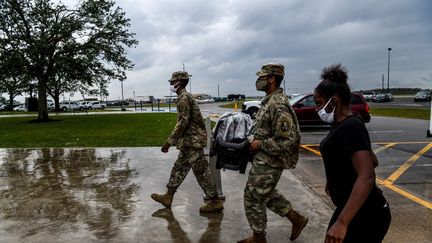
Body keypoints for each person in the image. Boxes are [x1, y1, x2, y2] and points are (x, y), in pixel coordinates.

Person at [314, 64, 391, 243]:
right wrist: (334, 179)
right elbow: (372, 160)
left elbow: (367, 176)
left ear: (334, 102)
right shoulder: (345, 124)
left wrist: (342, 222)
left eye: (319, 103)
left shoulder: (352, 126)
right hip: (351, 206)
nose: (316, 109)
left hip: (368, 213)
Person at [238, 64, 308, 243]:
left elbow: (286, 140)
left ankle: (259, 238)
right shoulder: (269, 101)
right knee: (265, 193)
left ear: (271, 79)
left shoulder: (278, 104)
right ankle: (296, 219)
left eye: (261, 77)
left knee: (253, 197)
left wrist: (259, 144)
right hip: (264, 158)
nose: (258, 81)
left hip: (271, 160)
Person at [151, 71, 224, 213]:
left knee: (202, 172)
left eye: (173, 82)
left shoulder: (184, 98)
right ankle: (168, 196)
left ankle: (215, 201)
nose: (171, 84)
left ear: (181, 82)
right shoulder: (183, 97)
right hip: (188, 142)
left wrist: (169, 142)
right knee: (179, 168)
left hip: (193, 142)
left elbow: (182, 123)